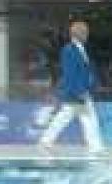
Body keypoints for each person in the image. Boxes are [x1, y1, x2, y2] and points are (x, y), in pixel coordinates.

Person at [37, 20, 105, 158]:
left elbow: (85, 71)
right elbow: (71, 73)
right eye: (85, 32)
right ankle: (95, 147)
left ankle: (46, 141)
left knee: (67, 117)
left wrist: (91, 85)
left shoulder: (81, 49)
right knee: (88, 119)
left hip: (81, 91)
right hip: (76, 92)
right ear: (78, 33)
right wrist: (79, 91)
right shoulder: (69, 50)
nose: (87, 34)